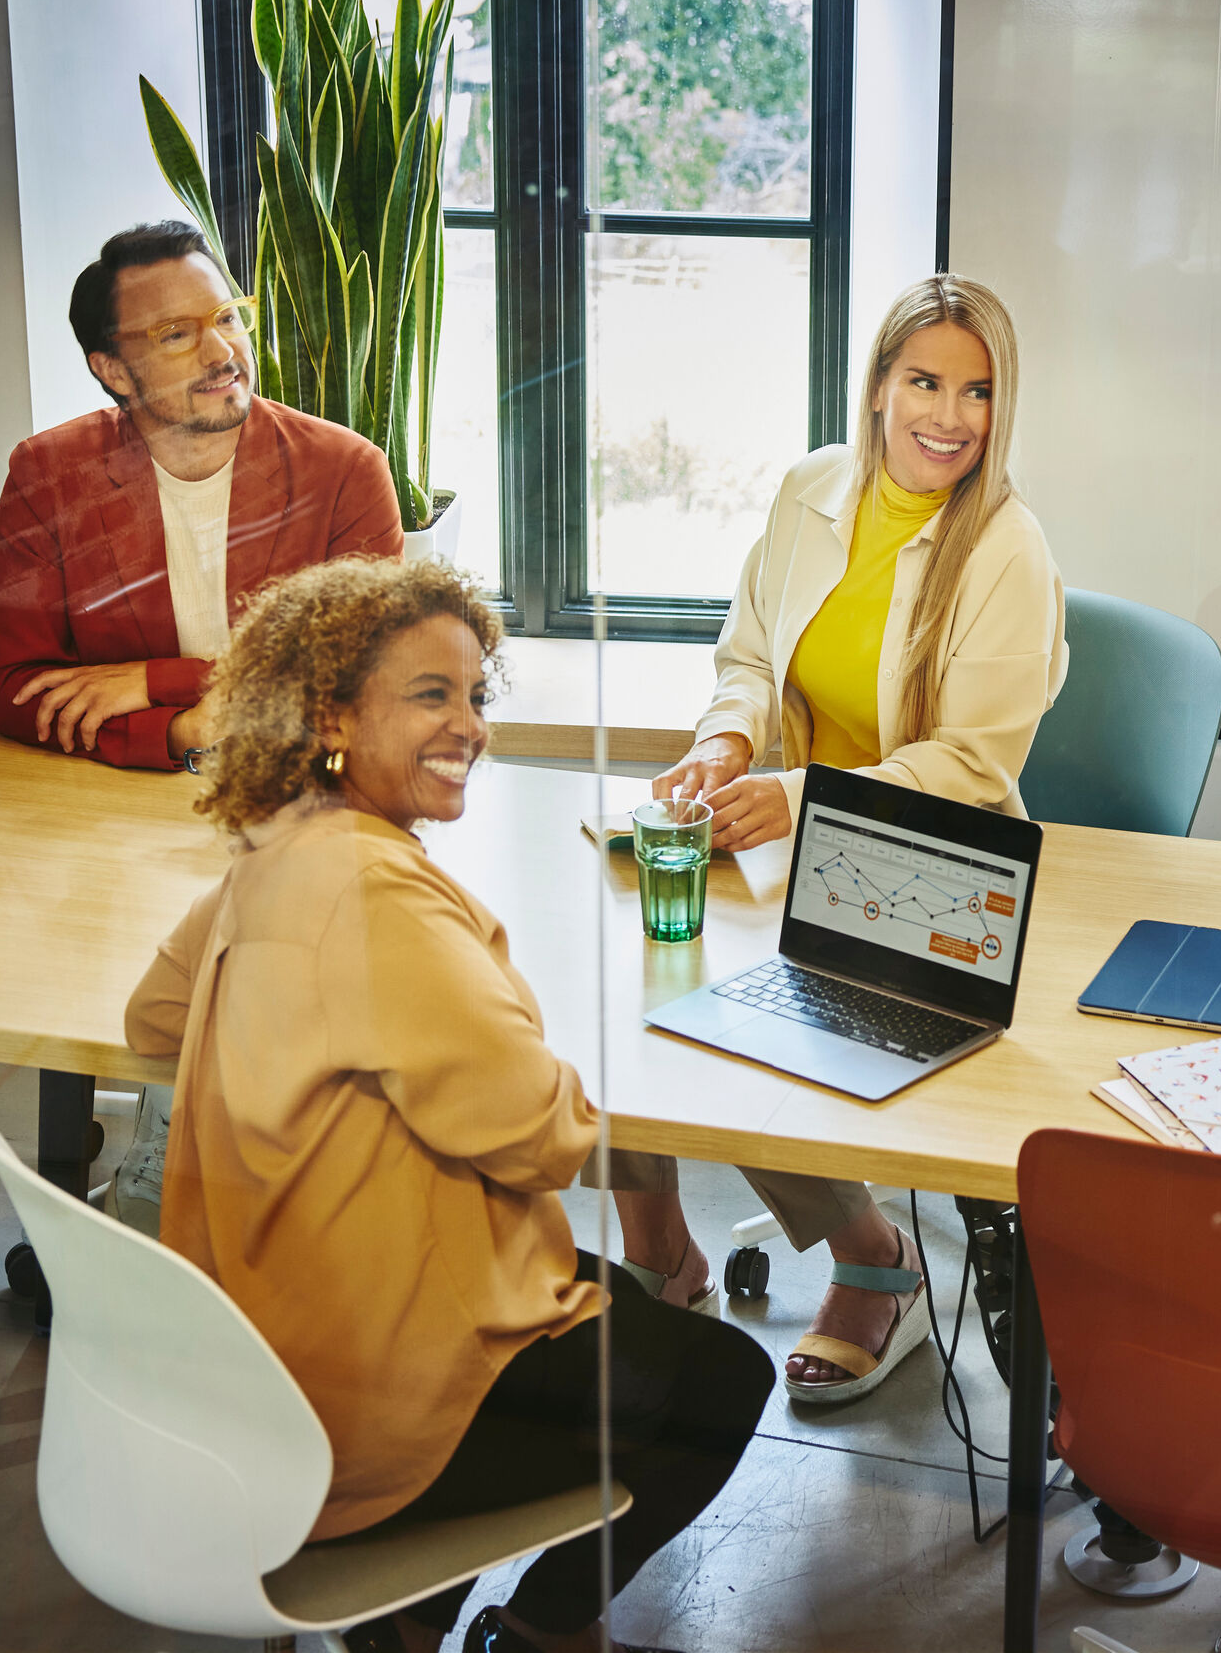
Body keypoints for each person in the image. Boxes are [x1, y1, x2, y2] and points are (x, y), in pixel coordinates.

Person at [127, 556, 773, 1653]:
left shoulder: (271, 849)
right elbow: (541, 1131)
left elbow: (155, 1019)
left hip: (269, 1351)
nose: (467, 724)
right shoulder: (378, 890)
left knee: (611, 1292)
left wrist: (345, 1094)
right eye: (430, 695)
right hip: (382, 1409)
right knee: (719, 1381)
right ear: (330, 714)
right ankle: (541, 1631)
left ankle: (407, 1620)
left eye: (476, 695)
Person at [613, 274, 1066, 1407]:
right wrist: (725, 746)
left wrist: (802, 791)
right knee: (643, 996)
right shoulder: (812, 486)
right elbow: (750, 659)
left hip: (936, 869)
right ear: (876, 385)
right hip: (792, 844)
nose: (949, 416)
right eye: (924, 380)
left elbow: (974, 763)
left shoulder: (1008, 546)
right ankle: (661, 1252)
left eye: (976, 390)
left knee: (758, 1019)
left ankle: (881, 1266)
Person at [0, 220, 403, 772]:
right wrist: (178, 731)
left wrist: (154, 680)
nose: (222, 351)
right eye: (177, 334)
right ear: (114, 370)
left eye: (227, 317)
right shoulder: (48, 474)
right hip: (107, 808)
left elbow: (371, 672)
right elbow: (14, 688)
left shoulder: (346, 469)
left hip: (301, 792)